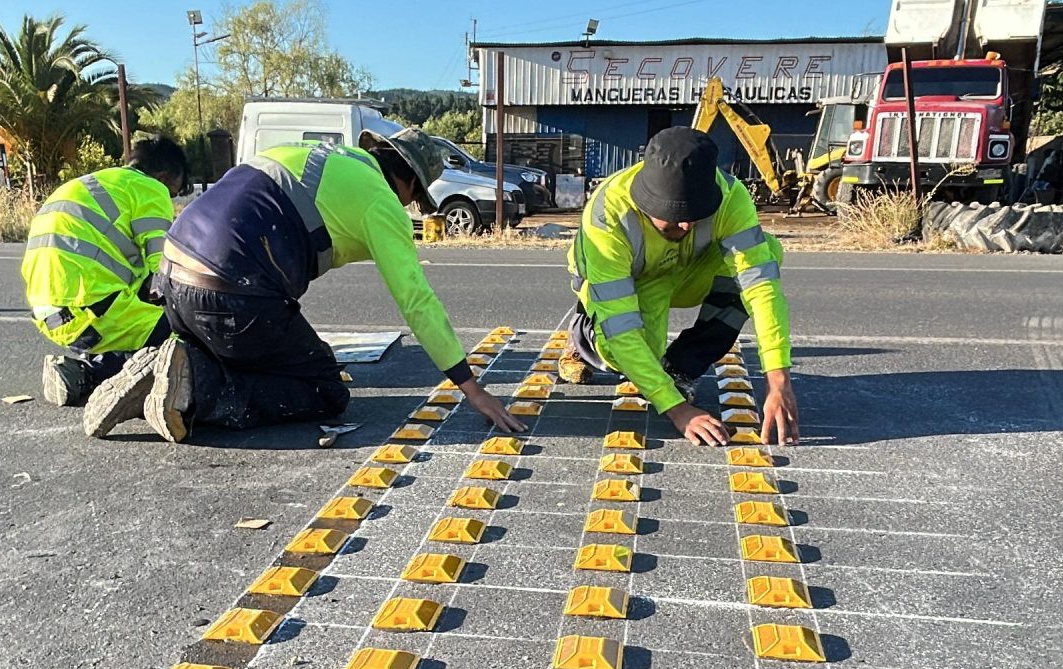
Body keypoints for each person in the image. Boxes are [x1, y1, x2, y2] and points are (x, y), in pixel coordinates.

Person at [83, 127, 526, 442]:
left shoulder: (324, 157)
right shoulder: (380, 200)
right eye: (415, 197)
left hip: (175, 281)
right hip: (230, 294)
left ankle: (149, 367)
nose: (411, 206)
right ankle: (197, 387)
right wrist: (471, 387)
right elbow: (416, 299)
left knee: (259, 349)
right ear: (407, 180)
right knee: (323, 388)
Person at [557, 127, 800, 446]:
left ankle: (680, 365)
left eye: (696, 216)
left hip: (687, 271)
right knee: (625, 351)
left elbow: (762, 290)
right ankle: (584, 334)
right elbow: (620, 325)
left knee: (768, 253)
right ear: (646, 203)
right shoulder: (607, 216)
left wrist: (779, 378)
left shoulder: (731, 196)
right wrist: (677, 409)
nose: (687, 225)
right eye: (674, 218)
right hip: (632, 281)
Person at [19, 138, 190, 407]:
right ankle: (90, 375)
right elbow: (164, 272)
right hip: (92, 312)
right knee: (182, 335)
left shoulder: (94, 184)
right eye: (173, 192)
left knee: (142, 318)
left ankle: (83, 369)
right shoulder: (150, 188)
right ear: (163, 177)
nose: (170, 200)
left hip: (48, 315)